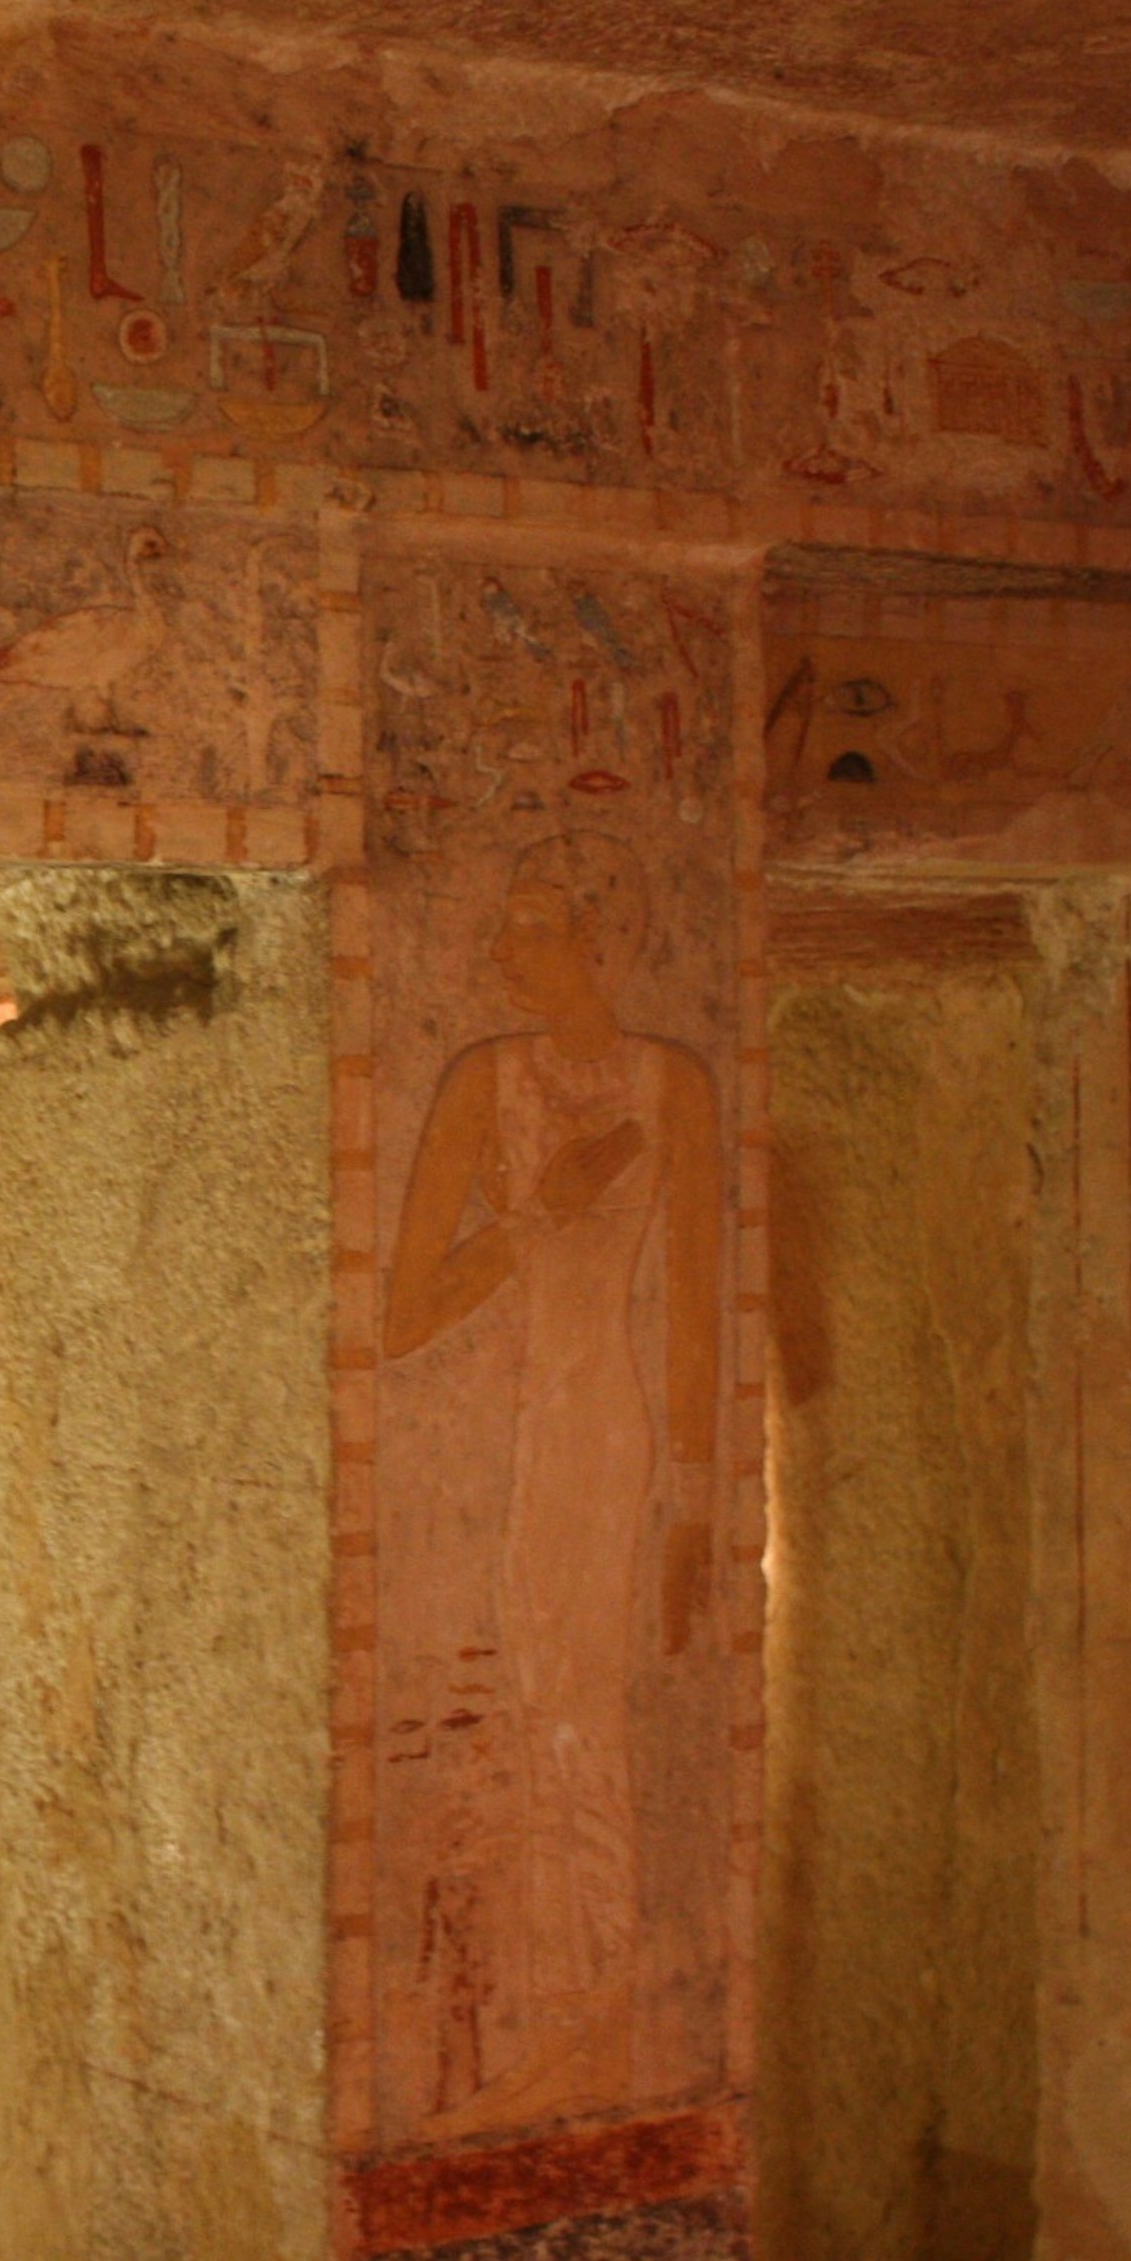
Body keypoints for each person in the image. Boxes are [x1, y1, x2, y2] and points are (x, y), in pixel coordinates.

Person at [381, 831, 719, 2135]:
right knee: (540, 1714)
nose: (498, 951)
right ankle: (574, 2021)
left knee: (580, 1710)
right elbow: (403, 1320)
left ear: (602, 938)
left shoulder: (669, 1079)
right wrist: (543, 1212)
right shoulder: (486, 1080)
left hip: (602, 1428)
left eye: (530, 927)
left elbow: (692, 1309)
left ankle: (595, 2023)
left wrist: (692, 1506)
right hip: (512, 1426)